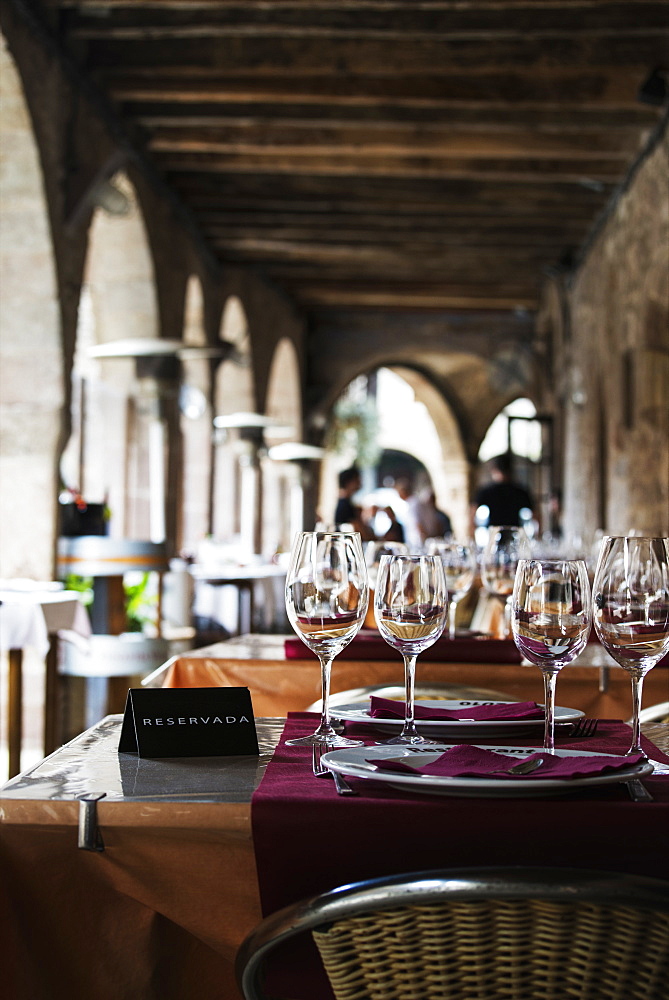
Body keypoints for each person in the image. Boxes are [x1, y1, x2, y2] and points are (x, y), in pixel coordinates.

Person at [470, 453, 534, 531]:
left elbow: (472, 514)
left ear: (494, 470)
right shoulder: (521, 491)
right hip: (514, 534)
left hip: (494, 534)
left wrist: (473, 534)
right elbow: (536, 516)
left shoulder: (486, 491)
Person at [334, 467, 375, 540]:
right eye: (358, 479)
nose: (360, 482)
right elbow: (359, 533)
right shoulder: (345, 505)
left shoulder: (345, 503)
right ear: (349, 482)